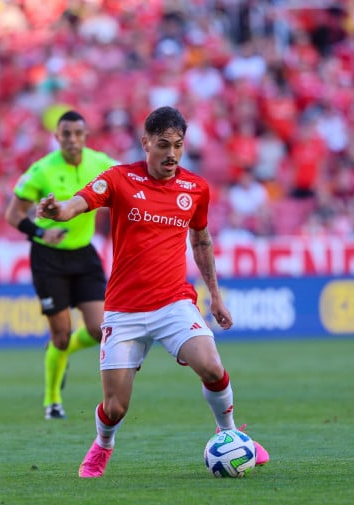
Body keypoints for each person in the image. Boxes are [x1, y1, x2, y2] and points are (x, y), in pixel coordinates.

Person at [36, 106, 270, 477]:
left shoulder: (195, 188)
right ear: (146, 142)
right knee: (115, 407)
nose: (172, 154)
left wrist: (216, 296)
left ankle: (230, 435)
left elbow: (202, 241)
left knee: (211, 366)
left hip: (173, 303)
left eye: (178, 145)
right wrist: (58, 211)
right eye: (163, 145)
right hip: (124, 310)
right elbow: (78, 204)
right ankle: (103, 445)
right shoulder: (119, 179)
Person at [4, 110, 117, 420]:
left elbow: (130, 183)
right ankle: (52, 400)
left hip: (83, 254)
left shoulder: (101, 163)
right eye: (66, 134)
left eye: (78, 134)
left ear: (85, 135)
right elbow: (12, 215)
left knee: (99, 329)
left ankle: (60, 353)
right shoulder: (41, 171)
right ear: (57, 137)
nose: (72, 140)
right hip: (48, 258)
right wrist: (41, 231)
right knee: (61, 335)